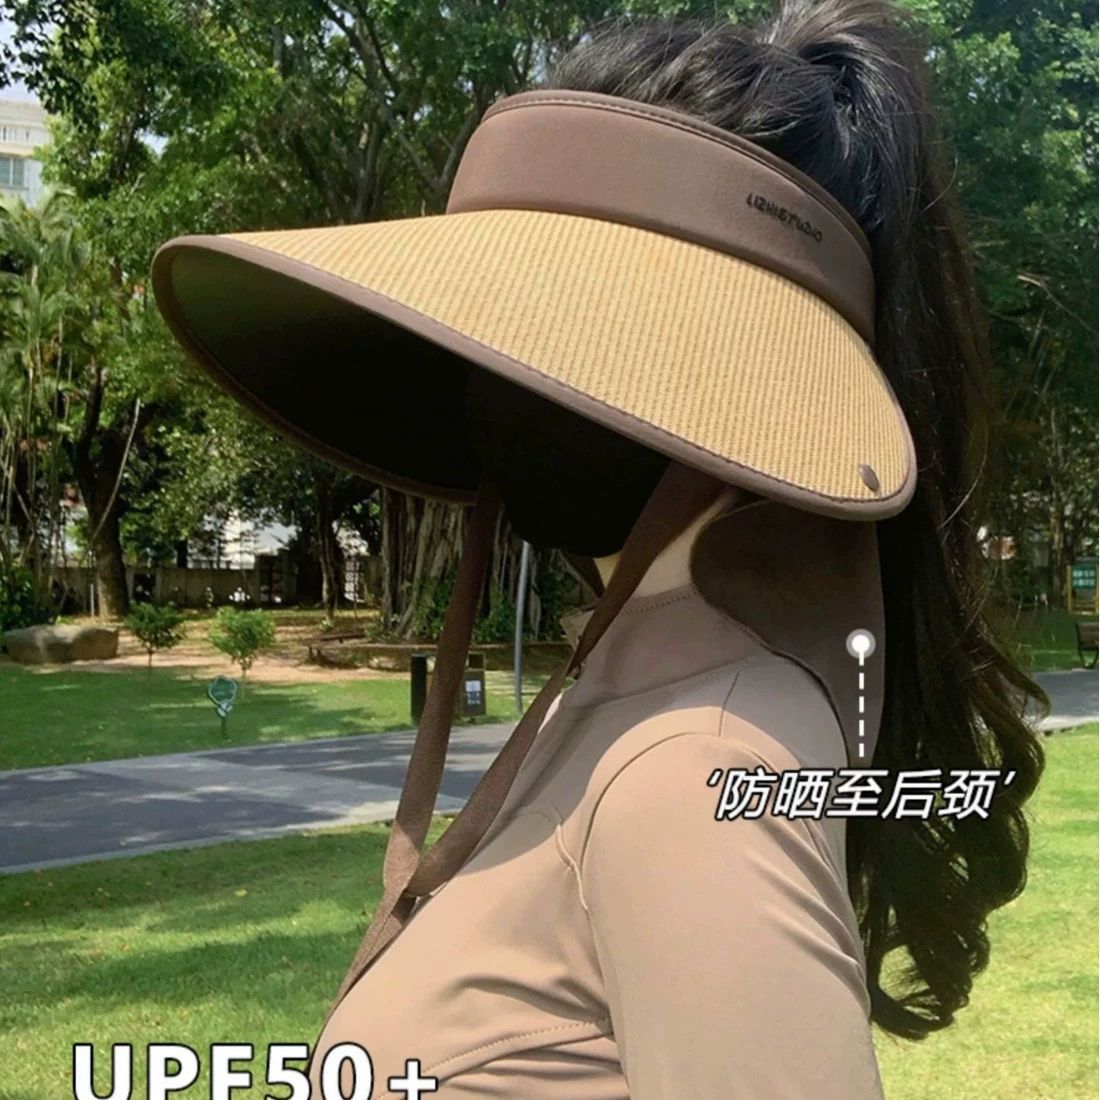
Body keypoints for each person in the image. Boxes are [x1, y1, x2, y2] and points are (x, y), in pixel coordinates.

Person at [151, 1, 1045, 1095]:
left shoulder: (696, 763)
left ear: (715, 385)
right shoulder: (633, 700)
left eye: (567, 341)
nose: (494, 391)